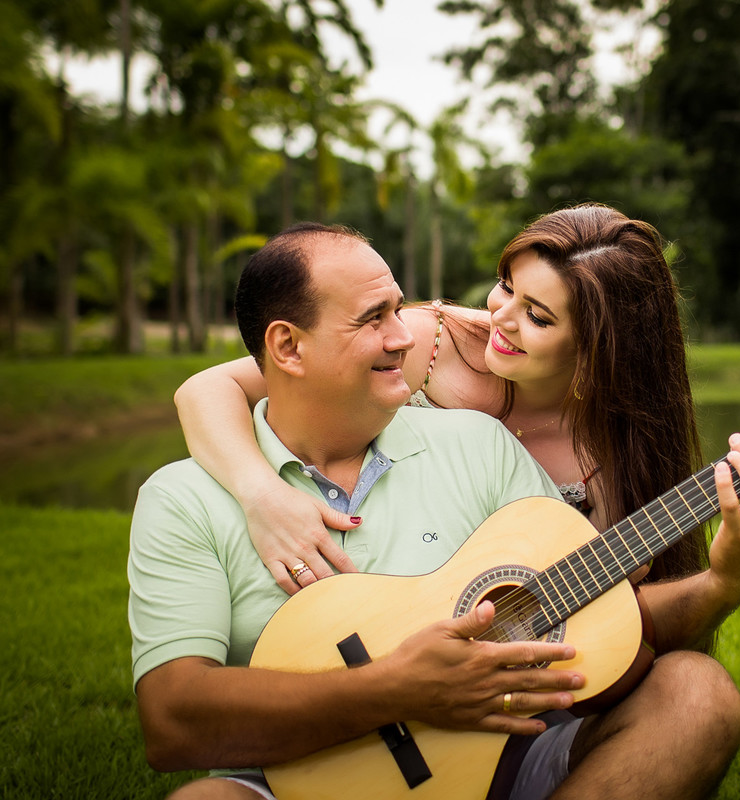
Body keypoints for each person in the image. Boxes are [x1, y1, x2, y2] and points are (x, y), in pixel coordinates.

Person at [131, 222, 740, 799]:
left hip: (506, 759)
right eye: (375, 319)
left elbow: (599, 619)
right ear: (288, 346)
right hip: (298, 776)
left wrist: (724, 581)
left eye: (401, 309)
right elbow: (172, 720)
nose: (410, 335)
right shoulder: (183, 498)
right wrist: (395, 690)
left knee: (695, 692)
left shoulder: (480, 443)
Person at [175, 205, 708, 607]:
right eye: (506, 286)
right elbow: (205, 389)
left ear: (599, 349)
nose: (499, 317)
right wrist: (262, 496)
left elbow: (605, 600)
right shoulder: (427, 344)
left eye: (538, 317)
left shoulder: (613, 446)